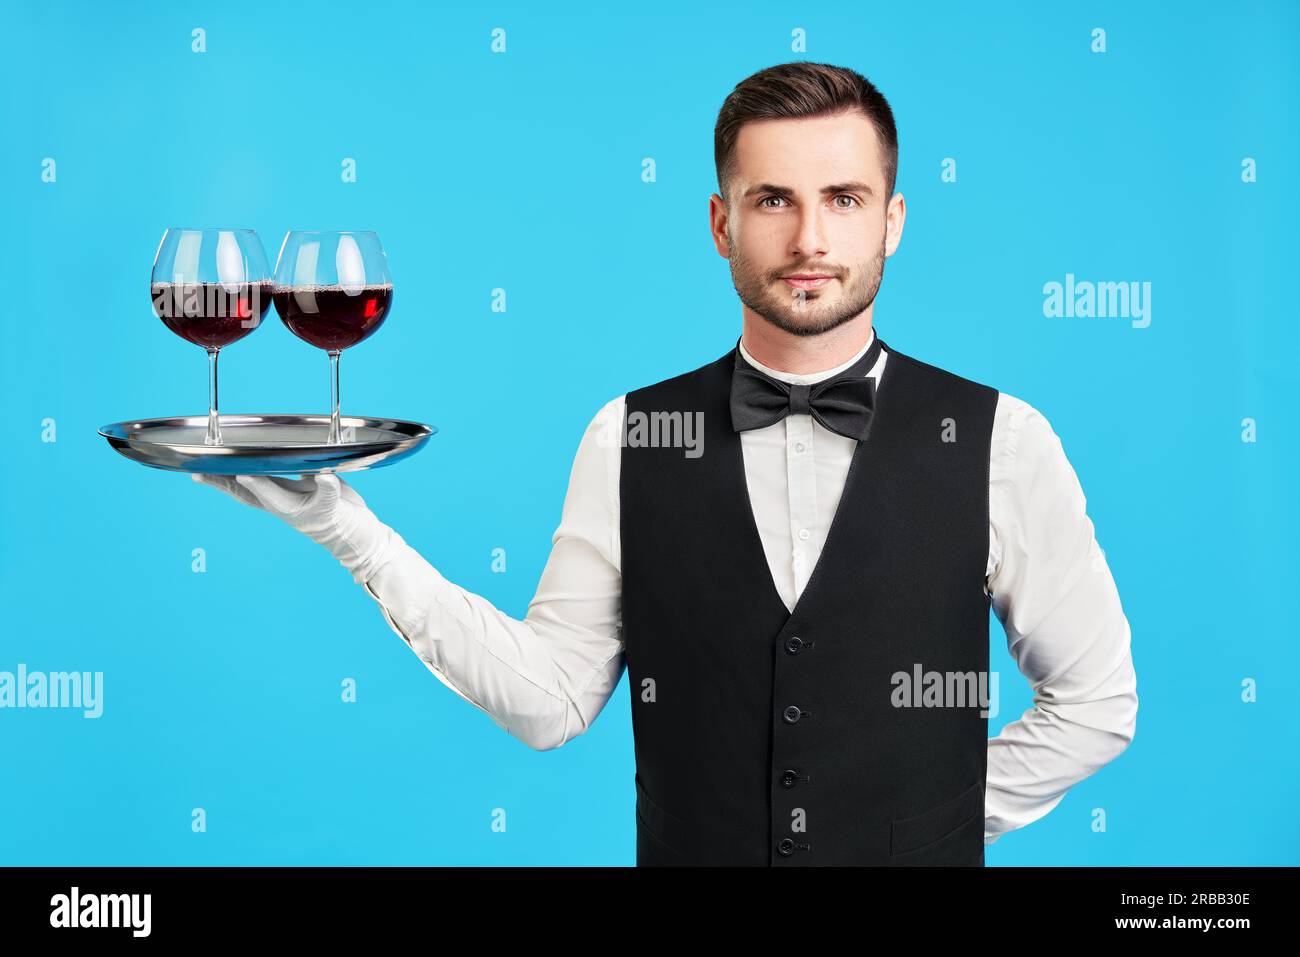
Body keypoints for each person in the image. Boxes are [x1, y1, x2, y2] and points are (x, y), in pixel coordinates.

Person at [194, 61, 1137, 866]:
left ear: (891, 220)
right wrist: (345, 528)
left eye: (842, 199)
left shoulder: (1004, 440)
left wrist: (926, 831)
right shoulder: (629, 435)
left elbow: (1095, 704)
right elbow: (551, 701)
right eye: (774, 199)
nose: (810, 238)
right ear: (721, 223)